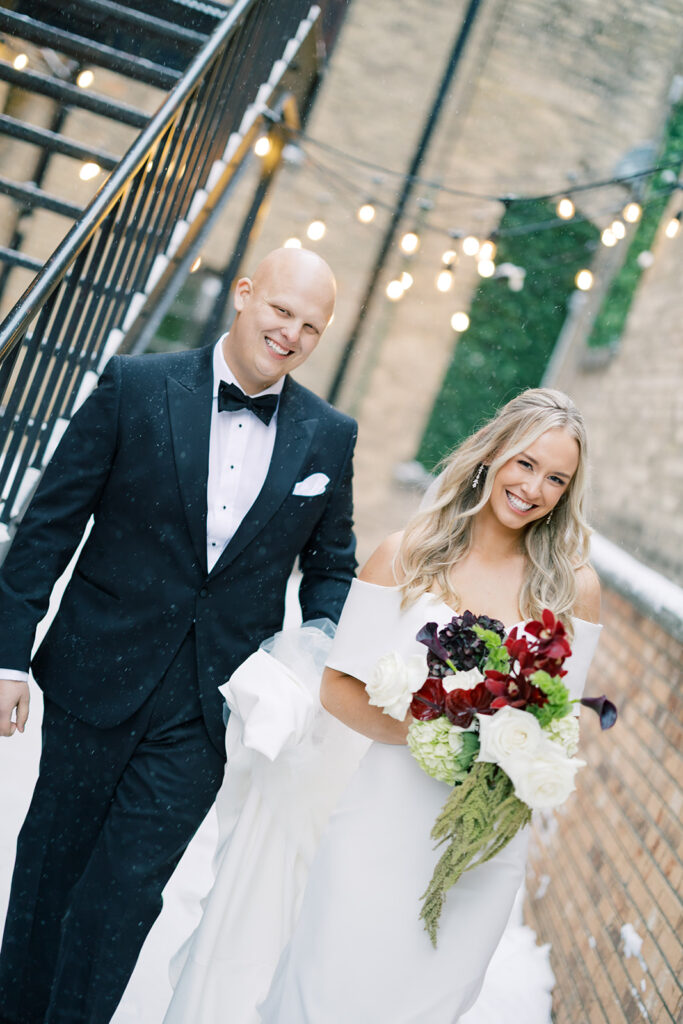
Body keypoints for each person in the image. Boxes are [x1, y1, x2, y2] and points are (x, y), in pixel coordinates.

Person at [0, 246, 358, 1024]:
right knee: (51, 872)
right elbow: (49, 526)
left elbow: (333, 566)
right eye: (280, 311)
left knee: (126, 893)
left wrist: (319, 643)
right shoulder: (135, 387)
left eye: (310, 325)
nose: (291, 333)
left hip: (209, 705)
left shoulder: (329, 437)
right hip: (97, 673)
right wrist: (7, 657)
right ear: (243, 295)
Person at [167, 387, 602, 1023]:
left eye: (556, 479)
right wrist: (435, 728)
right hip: (379, 824)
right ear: (493, 455)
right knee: (326, 991)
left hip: (480, 849)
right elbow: (338, 689)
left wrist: (507, 740)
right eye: (526, 463)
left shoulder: (573, 590)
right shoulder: (406, 554)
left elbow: (560, 723)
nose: (534, 488)